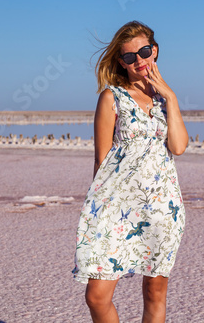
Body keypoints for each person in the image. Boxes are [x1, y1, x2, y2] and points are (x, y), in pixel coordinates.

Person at [71, 20, 188, 323]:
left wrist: (172, 98)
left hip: (162, 207)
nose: (139, 61)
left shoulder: (165, 100)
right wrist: (97, 214)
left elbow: (178, 147)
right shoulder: (112, 97)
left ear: (155, 51)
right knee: (96, 297)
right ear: (121, 62)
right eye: (129, 57)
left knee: (155, 292)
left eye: (144, 51)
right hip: (117, 209)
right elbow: (101, 161)